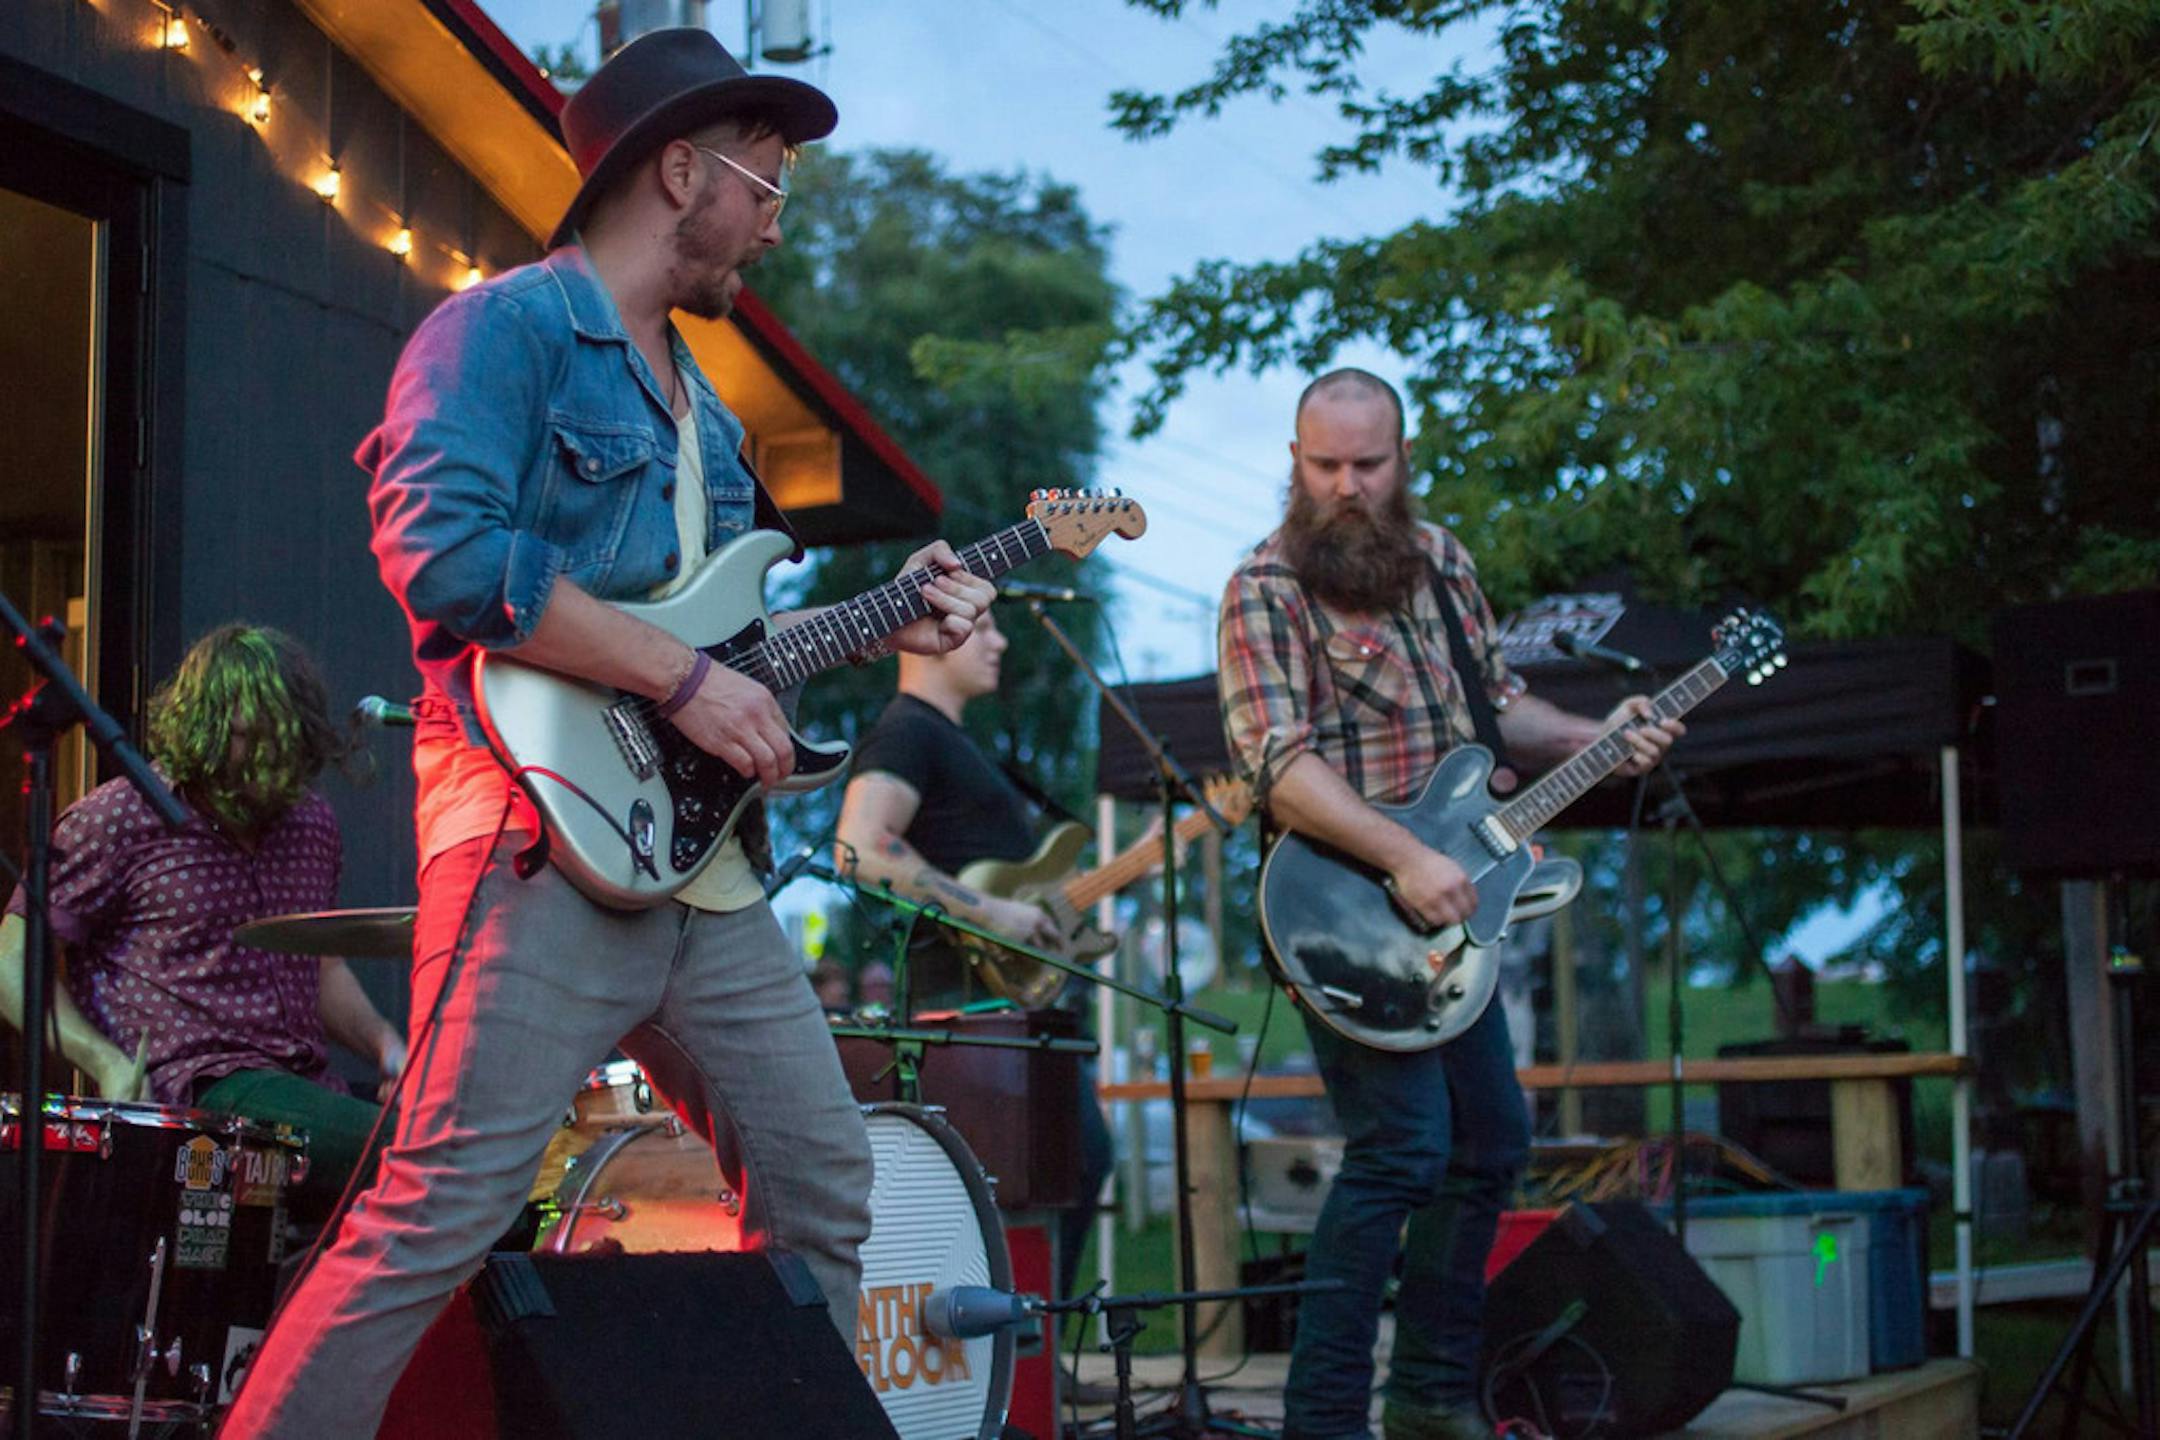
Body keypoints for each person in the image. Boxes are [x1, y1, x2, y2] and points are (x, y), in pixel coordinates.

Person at [221, 29, 995, 1437]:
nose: (774, 219)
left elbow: (736, 654)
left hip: (702, 876)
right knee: (437, 1212)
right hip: (533, 841)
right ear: (680, 172)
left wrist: (891, 625)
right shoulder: (502, 331)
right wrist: (686, 684)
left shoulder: (708, 417)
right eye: (766, 185)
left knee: (827, 1185)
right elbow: (445, 556)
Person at [1216, 368, 1683, 1440]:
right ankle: (1325, 1420)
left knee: (1490, 1142)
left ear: (1402, 460)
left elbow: (1498, 707)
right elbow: (1275, 763)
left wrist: (1595, 737)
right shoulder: (1265, 588)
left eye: (1367, 465)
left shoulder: (1446, 565)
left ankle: (1429, 1396)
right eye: (1323, 464)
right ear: (1295, 462)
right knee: (1400, 1151)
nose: (1345, 486)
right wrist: (1402, 858)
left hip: (1455, 906)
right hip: (1339, 907)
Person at [0, 623, 404, 1212]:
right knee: (410, 1154)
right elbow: (12, 956)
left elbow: (319, 963)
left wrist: (386, 1045)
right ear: (205, 727)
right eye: (250, 740)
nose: (270, 766)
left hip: (300, 1089)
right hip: (199, 1090)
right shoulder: (121, 818)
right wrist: (102, 1060)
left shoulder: (310, 824)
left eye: (286, 746)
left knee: (476, 1150)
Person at [834, 607, 1113, 1298]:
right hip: (961, 1017)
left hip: (1000, 1015)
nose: (1000, 641)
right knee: (1054, 1165)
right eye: (983, 626)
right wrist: (994, 914)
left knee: (1068, 1164)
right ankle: (1015, 1370)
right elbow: (860, 848)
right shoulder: (906, 733)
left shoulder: (956, 742)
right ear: (931, 636)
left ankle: (1038, 1372)